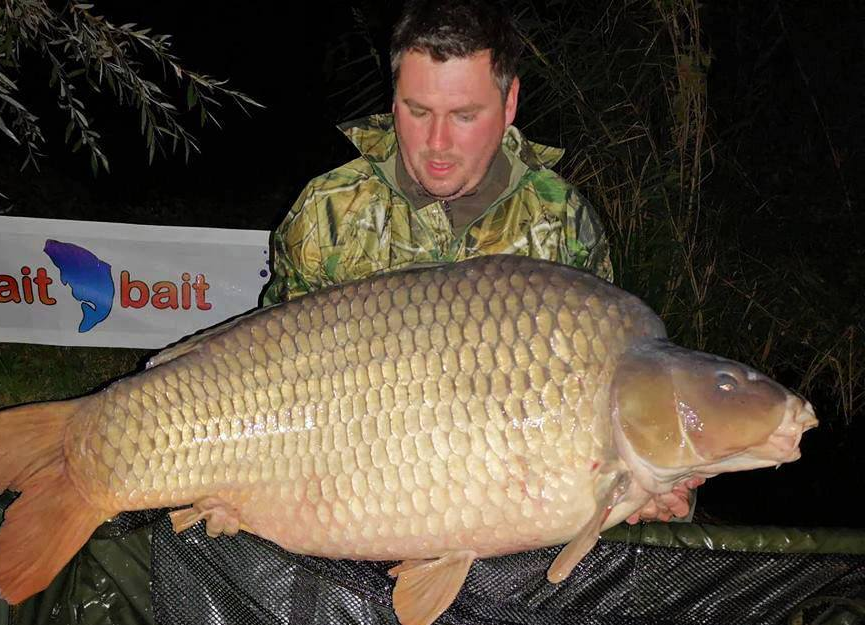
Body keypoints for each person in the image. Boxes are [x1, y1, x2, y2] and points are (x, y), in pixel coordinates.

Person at [262, 0, 698, 523]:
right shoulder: (327, 211)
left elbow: (603, 410)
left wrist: (645, 484)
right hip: (345, 500)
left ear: (509, 102)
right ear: (393, 97)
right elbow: (268, 381)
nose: (437, 143)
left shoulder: (560, 221)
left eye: (465, 116)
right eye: (417, 111)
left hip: (502, 514)